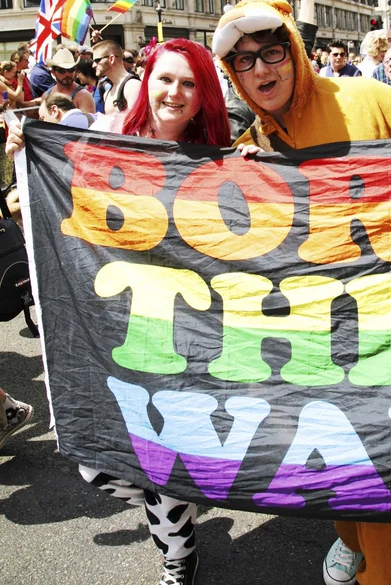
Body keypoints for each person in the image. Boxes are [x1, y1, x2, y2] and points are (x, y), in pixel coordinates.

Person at [212, 0, 391, 585]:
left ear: (294, 51)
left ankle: (384, 576)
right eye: (243, 61)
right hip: (312, 341)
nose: (261, 69)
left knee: (385, 463)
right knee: (332, 461)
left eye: (271, 51)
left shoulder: (360, 96)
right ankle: (350, 542)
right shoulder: (255, 143)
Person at [7, 38, 230, 585]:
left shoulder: (218, 160)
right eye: (165, 78)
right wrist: (24, 149)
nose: (174, 93)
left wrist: (252, 171)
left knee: (160, 455)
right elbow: (45, 187)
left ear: (203, 97)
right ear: (145, 79)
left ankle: (177, 557)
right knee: (100, 464)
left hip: (188, 333)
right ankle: (182, 498)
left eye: (188, 83)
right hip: (112, 327)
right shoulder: (102, 136)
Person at [91, 40, 141, 114]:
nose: (94, 65)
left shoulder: (133, 86)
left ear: (111, 59)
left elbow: (138, 122)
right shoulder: (107, 93)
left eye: (97, 60)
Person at [44, 49, 96, 114]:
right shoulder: (46, 95)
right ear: (53, 72)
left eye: (71, 69)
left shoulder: (83, 96)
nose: (67, 74)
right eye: (61, 70)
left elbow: (88, 123)